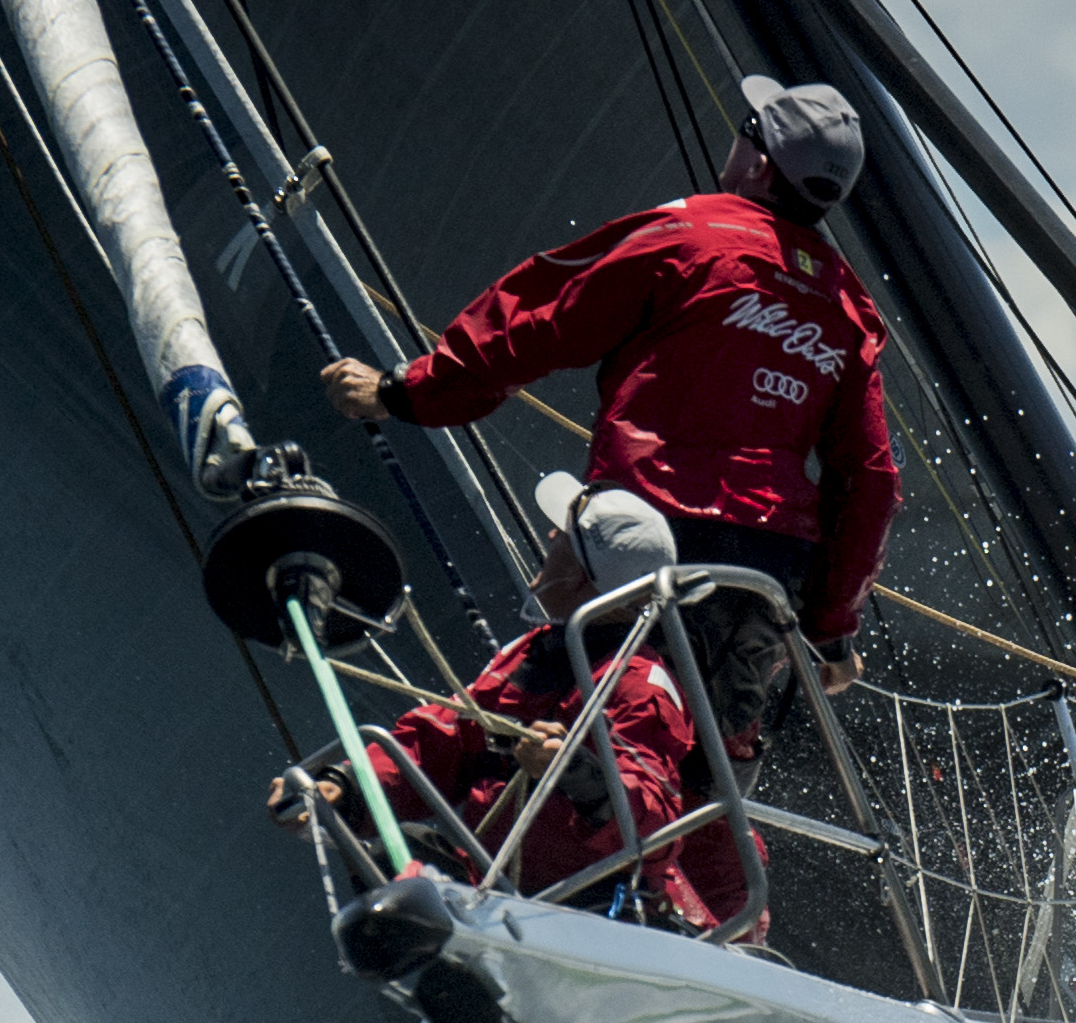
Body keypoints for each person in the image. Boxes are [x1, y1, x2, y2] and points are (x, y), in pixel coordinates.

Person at [326, 74, 899, 696]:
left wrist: (408, 391)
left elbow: (542, 321)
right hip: (766, 572)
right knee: (700, 758)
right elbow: (870, 481)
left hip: (646, 535)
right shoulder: (850, 309)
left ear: (759, 161)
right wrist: (832, 626)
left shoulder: (689, 234)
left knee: (546, 718)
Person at [273, 477, 734, 935]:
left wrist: (576, 771)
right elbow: (444, 737)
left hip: (592, 913)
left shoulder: (639, 684)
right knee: (389, 861)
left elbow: (652, 824)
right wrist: (347, 787)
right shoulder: (537, 651)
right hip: (502, 892)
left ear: (581, 576)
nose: (548, 536)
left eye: (562, 537)